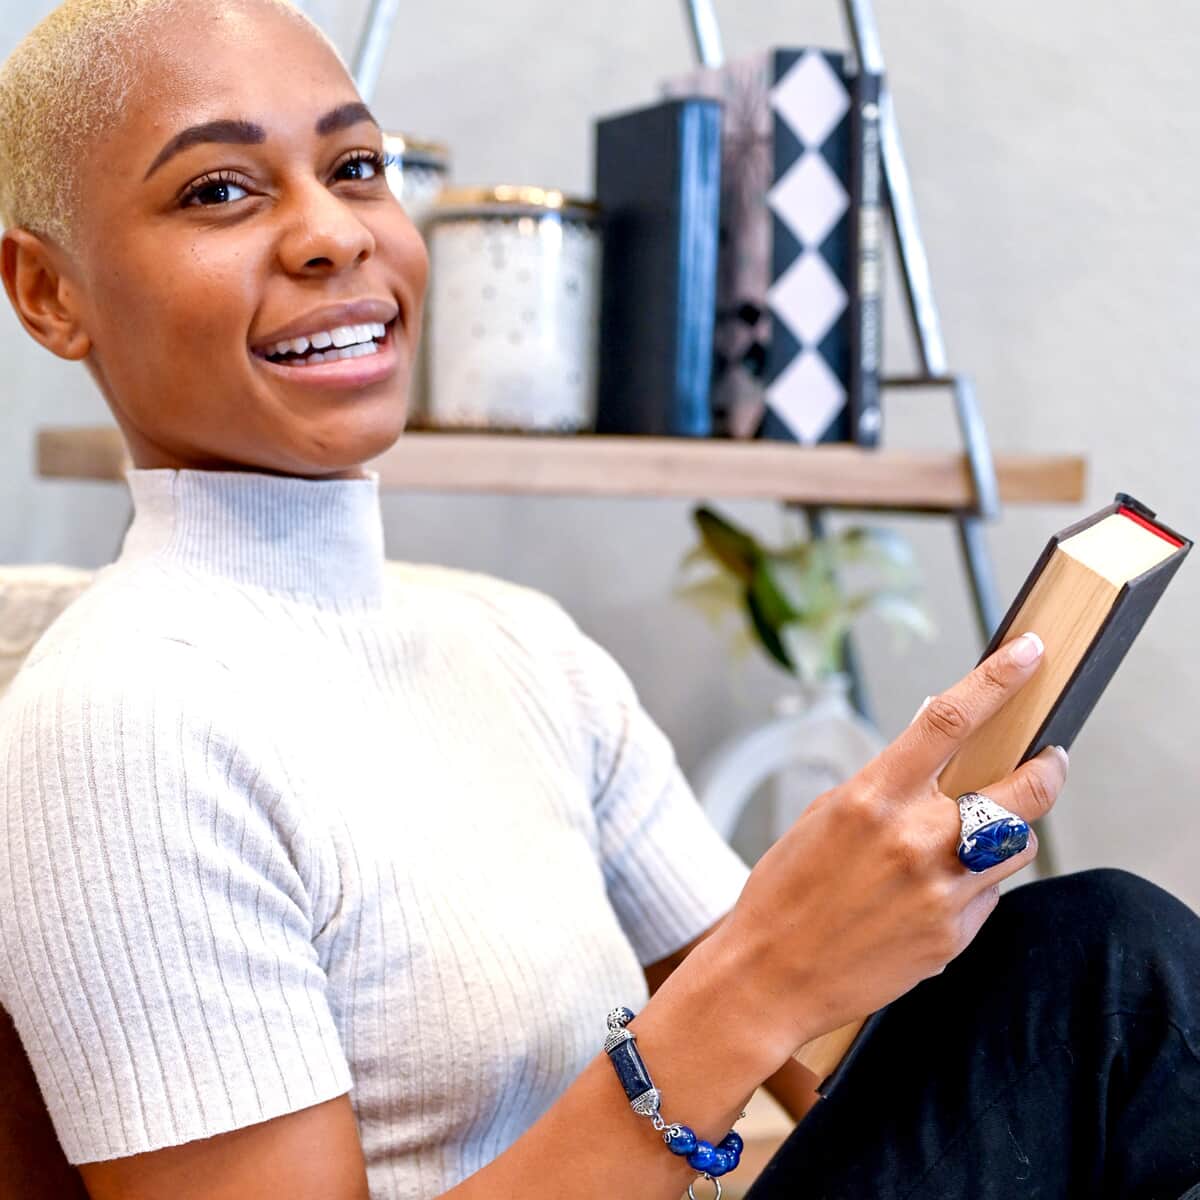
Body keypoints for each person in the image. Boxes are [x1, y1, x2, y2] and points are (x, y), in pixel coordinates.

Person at [0, 3, 1196, 1199]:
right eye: (218, 191)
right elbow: (753, 1000)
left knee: (1088, 954)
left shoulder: (519, 644)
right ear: (51, 292)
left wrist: (882, 892)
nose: (330, 236)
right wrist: (763, 977)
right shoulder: (120, 721)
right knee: (1112, 964)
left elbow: (833, 1069)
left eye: (357, 167)